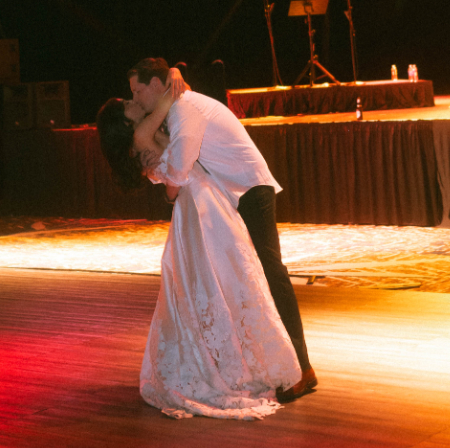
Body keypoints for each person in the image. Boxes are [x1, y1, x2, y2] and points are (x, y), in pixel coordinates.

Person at [97, 78, 302, 420]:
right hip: (200, 205)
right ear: (125, 120)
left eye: (135, 92)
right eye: (129, 100)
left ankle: (231, 360)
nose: (134, 99)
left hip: (205, 203)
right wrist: (172, 82)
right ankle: (231, 365)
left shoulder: (146, 130)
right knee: (222, 281)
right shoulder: (142, 132)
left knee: (220, 283)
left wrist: (173, 77)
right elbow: (173, 185)